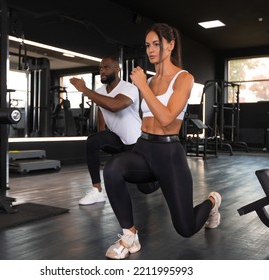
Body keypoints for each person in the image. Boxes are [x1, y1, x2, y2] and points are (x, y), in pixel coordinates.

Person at [103, 23, 222, 260]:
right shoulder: (147, 81)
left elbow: (167, 118)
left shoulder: (184, 78)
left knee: (185, 228)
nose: (151, 50)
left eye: (156, 44)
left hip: (169, 153)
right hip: (144, 147)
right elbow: (144, 115)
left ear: (170, 45)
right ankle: (130, 236)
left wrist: (142, 86)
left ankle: (212, 202)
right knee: (113, 168)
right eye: (148, 45)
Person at [69, 55, 142, 205]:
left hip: (136, 143)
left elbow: (114, 106)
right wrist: (102, 133)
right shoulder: (100, 91)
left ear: (117, 69)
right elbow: (101, 110)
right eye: (101, 68)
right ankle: (97, 190)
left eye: (107, 67)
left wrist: (84, 89)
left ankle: (164, 176)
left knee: (145, 187)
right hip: (117, 139)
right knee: (93, 141)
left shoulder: (129, 88)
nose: (102, 71)